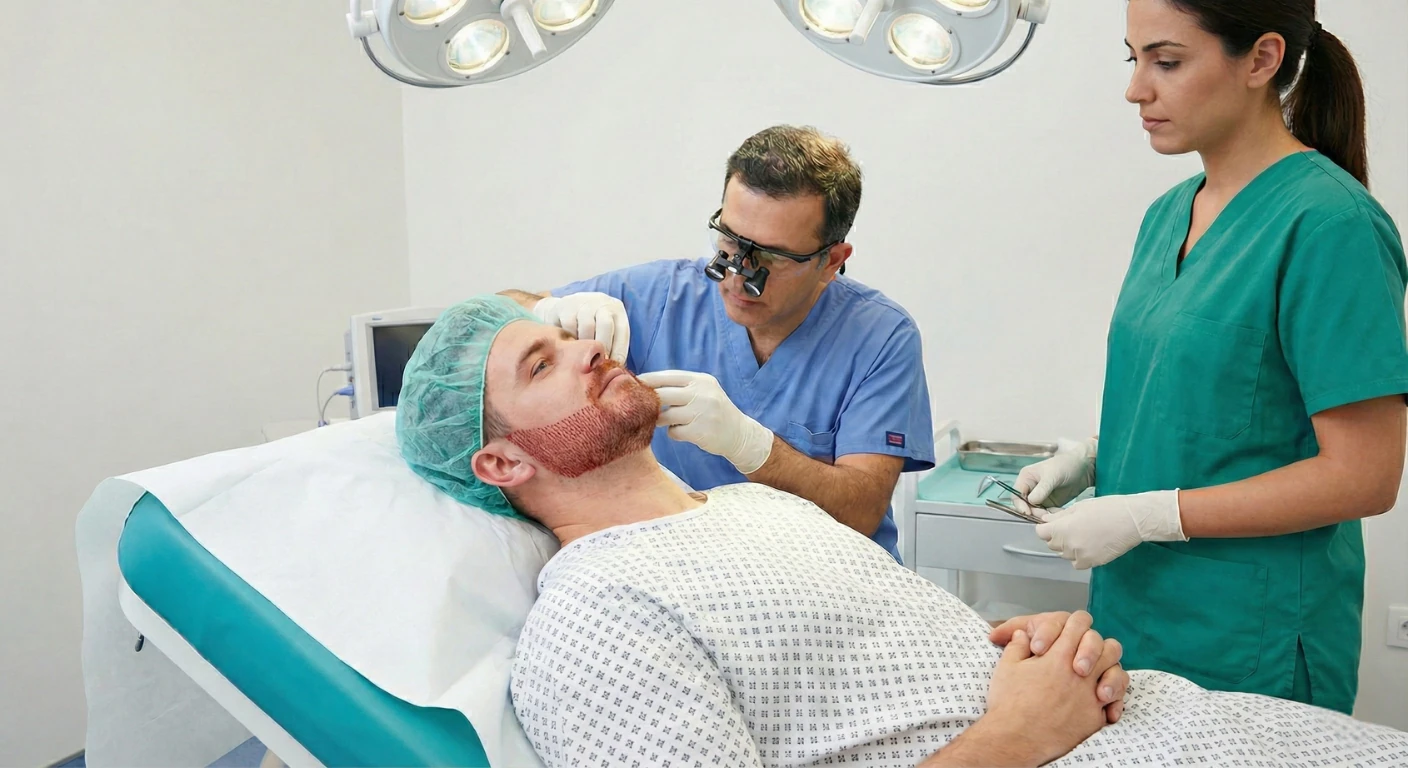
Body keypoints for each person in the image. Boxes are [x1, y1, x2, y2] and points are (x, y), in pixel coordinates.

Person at [394, 296, 1408, 768]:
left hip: (1198, 728)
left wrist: (1040, 647)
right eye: (539, 366)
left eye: (570, 335)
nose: (583, 351)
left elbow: (917, 674)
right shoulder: (596, 620)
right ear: (498, 464)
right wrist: (1014, 735)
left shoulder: (752, 507)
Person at [1013, 0, 1408, 715]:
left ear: (1261, 59)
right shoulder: (1170, 213)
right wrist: (1096, 460)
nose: (1137, 88)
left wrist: (1149, 514)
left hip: (1246, 636)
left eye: (1166, 61)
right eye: (1132, 59)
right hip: (1134, 615)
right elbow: (1218, 403)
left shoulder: (1331, 227)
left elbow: (1365, 477)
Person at [498, 125, 933, 562]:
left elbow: (861, 513)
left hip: (837, 581)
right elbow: (482, 316)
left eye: (772, 258)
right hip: (704, 576)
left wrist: (751, 446)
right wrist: (542, 312)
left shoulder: (880, 336)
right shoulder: (659, 298)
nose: (739, 274)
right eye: (730, 240)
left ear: (830, 262)